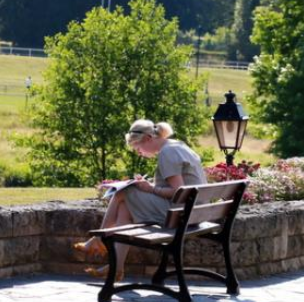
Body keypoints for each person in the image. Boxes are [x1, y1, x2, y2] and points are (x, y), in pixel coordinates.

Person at [74, 119, 207, 281]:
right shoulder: (177, 145)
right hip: (192, 212)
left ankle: (99, 238)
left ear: (149, 139)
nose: (139, 152)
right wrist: (147, 186)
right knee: (125, 208)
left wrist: (150, 189)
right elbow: (181, 187)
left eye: (138, 148)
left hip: (181, 214)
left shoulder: (167, 153)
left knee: (123, 192)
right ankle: (116, 267)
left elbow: (179, 191)